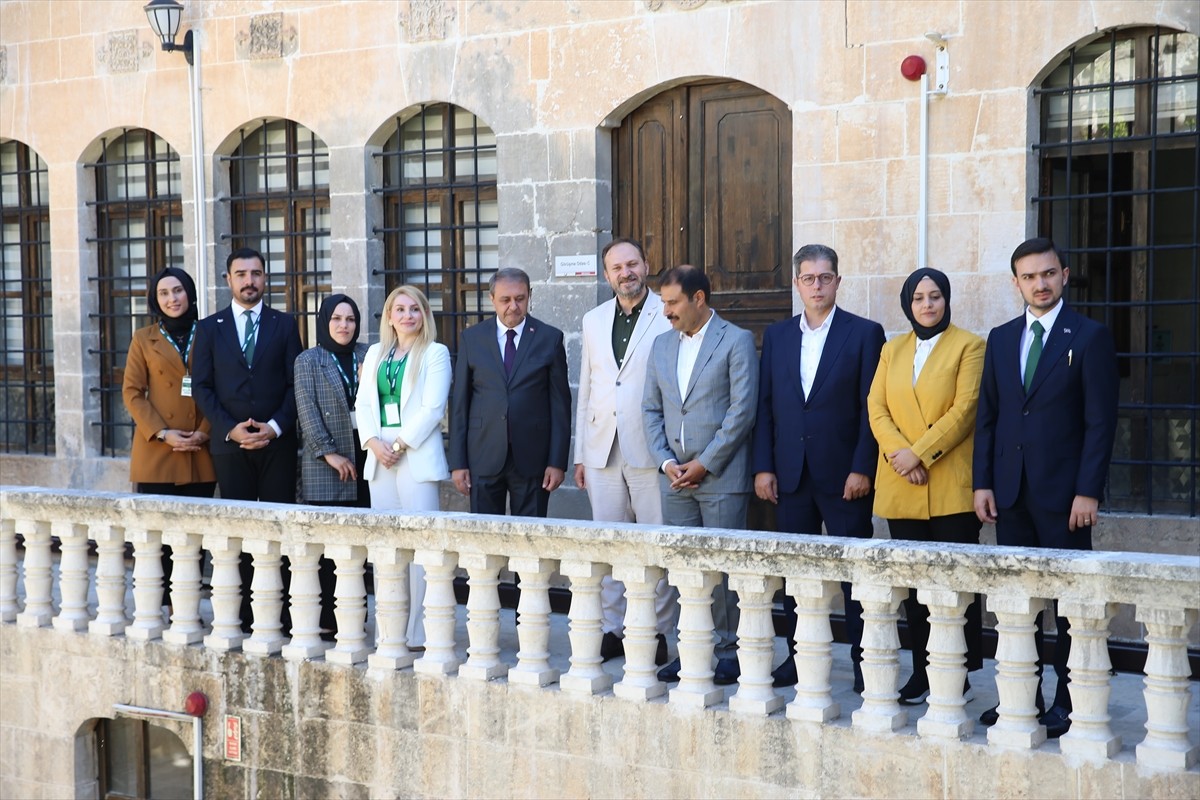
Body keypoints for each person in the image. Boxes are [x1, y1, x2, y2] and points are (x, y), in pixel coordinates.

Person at [973, 237, 1119, 738]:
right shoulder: (1000, 337)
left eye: (1048, 273)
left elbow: (1101, 423)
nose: (1040, 283)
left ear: (1064, 274)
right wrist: (983, 484)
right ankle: (1022, 697)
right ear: (1016, 283)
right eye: (1030, 277)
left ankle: (1068, 700)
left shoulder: (1090, 336)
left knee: (1068, 607)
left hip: (1065, 498)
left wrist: (1089, 491)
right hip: (1009, 494)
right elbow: (987, 418)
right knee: (1020, 604)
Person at [751, 243, 885, 690]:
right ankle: (797, 658)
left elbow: (873, 408)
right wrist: (764, 467)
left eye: (824, 277)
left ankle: (865, 662)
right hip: (790, 474)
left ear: (838, 281)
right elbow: (766, 406)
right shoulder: (778, 336)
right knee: (797, 574)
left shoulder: (865, 333)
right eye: (808, 278)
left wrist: (863, 467)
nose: (816, 286)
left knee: (854, 576)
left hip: (845, 475)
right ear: (796, 283)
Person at [867, 267, 985, 704]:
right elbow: (876, 407)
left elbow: (965, 409)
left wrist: (920, 453)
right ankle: (921, 670)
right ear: (907, 304)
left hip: (949, 486)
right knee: (915, 589)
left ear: (946, 300)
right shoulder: (892, 349)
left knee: (954, 587)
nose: (928, 304)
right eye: (918, 298)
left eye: (935, 296)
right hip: (903, 484)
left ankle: (960, 675)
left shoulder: (970, 345)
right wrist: (901, 455)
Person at [643, 265, 758, 686]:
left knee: (724, 571)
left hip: (721, 477)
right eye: (663, 303)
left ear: (698, 299)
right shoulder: (660, 346)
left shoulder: (737, 340)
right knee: (683, 572)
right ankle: (687, 649)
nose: (666, 311)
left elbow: (742, 412)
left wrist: (705, 463)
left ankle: (729, 651)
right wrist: (664, 462)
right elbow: (650, 410)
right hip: (673, 479)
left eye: (672, 303)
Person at [574, 238, 676, 666]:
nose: (625, 272)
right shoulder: (594, 320)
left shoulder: (667, 314)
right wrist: (580, 453)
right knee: (610, 546)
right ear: (606, 274)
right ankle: (615, 629)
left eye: (632, 264)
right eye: (617, 267)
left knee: (657, 546)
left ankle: (661, 634)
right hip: (602, 449)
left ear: (646, 266)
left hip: (651, 449)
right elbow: (589, 386)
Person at [192, 246, 304, 631]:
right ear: (228, 280)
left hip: (278, 443)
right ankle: (239, 616)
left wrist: (275, 426)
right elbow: (202, 388)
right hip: (230, 444)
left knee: (279, 528)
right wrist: (229, 428)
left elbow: (296, 384)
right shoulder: (209, 328)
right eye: (241, 274)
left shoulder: (285, 325)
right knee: (237, 531)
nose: (249, 281)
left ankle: (284, 616)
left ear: (265, 278)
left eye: (256, 273)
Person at [357, 285, 451, 650]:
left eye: (415, 309)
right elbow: (364, 404)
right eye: (400, 309)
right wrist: (374, 444)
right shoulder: (377, 353)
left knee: (421, 547)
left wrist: (398, 444)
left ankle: (420, 632)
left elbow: (432, 408)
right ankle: (390, 629)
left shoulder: (435, 353)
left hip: (414, 456)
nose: (408, 315)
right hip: (380, 458)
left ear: (424, 315)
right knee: (387, 548)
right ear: (390, 316)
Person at [122, 267, 217, 607]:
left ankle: (188, 607)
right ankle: (157, 608)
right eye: (164, 293)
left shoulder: (209, 333)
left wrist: (204, 433)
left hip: (200, 449)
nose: (172, 299)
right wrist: (163, 433)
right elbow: (132, 393)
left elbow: (220, 387)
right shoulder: (142, 337)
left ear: (189, 294)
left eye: (178, 291)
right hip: (158, 452)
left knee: (194, 539)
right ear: (155, 299)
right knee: (157, 541)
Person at [450, 268, 571, 517]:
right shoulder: (472, 339)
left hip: (532, 458)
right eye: (505, 300)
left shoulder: (550, 338)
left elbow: (560, 406)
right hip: (483, 455)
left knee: (530, 539)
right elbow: (460, 404)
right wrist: (458, 463)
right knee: (484, 538)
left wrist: (557, 462)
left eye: (520, 298)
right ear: (492, 299)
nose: (513, 307)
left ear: (529, 296)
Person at [294, 293, 370, 639]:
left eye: (350, 319)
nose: (344, 325)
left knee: (360, 543)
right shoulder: (308, 360)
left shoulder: (368, 355)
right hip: (326, 459)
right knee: (329, 546)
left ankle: (356, 616)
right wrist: (329, 453)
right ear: (325, 321)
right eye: (337, 319)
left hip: (367, 453)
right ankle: (328, 619)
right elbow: (307, 412)